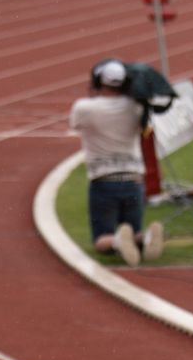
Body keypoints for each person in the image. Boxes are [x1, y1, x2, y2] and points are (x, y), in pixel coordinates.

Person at [68, 60, 164, 266]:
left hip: (104, 180)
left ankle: (118, 241)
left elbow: (74, 125)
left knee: (101, 239)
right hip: (134, 180)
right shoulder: (137, 107)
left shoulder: (85, 108)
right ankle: (144, 238)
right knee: (133, 230)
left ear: (98, 80)